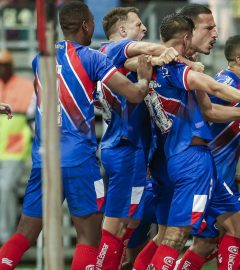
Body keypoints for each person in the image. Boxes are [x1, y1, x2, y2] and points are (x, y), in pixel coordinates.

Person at [0, 1, 152, 269]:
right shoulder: (92, 57)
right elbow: (135, 94)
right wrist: (143, 77)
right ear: (85, 24)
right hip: (79, 160)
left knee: (25, 232)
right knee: (89, 238)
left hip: (44, 160)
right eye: (91, 22)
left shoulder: (39, 59)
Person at [133, 13, 240, 270]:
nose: (215, 34)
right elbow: (211, 105)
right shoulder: (187, 74)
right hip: (194, 163)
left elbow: (129, 61)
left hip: (174, 160)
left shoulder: (152, 68)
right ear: (188, 36)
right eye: (209, 28)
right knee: (184, 235)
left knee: (186, 237)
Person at [94, 7, 178, 269]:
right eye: (138, 25)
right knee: (116, 222)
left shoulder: (108, 56)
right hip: (125, 146)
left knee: (129, 223)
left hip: (132, 148)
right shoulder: (117, 48)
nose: (143, 29)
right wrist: (169, 52)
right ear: (121, 31)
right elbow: (148, 52)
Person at [177, 34, 240, 270]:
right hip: (210, 176)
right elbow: (208, 112)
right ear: (239, 59)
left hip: (219, 176)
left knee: (205, 244)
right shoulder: (226, 84)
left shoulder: (237, 87)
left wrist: (237, 176)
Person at [0, 49, 35, 245]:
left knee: (5, 188)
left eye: (5, 64)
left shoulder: (24, 87)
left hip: (14, 150)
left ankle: (5, 239)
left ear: (12, 65)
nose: (2, 68)